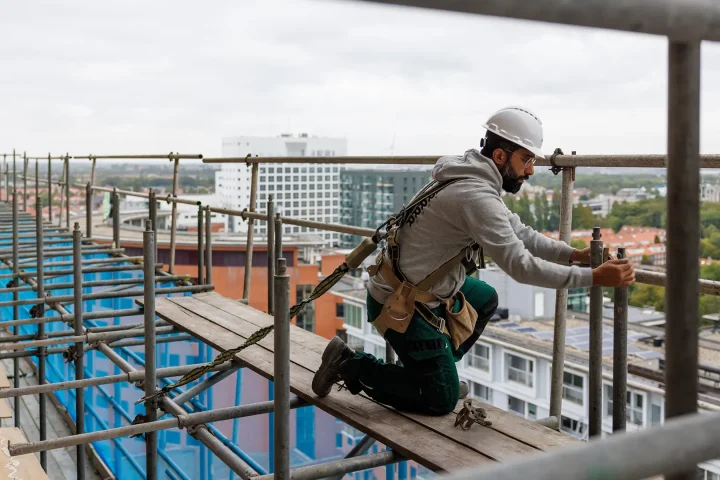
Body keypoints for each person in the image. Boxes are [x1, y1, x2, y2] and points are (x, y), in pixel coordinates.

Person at [312, 106, 635, 415]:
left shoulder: (470, 177)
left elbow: (519, 232)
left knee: (484, 298)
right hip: (399, 305)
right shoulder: (475, 196)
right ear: (499, 156)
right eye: (526, 159)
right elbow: (520, 266)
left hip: (412, 288)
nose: (530, 170)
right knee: (440, 400)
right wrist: (595, 278)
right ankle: (351, 364)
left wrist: (573, 255)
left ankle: (434, 371)